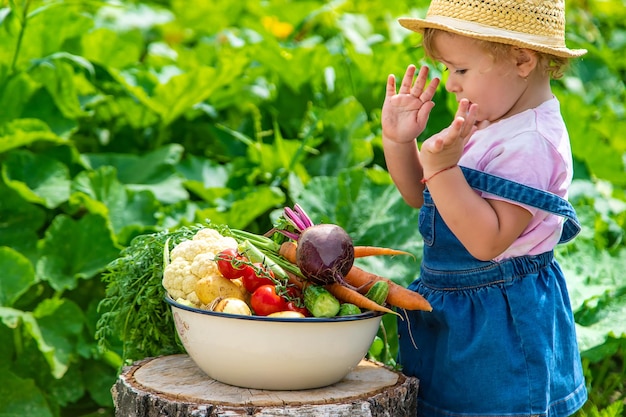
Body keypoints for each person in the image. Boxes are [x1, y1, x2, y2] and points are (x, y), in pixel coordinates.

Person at [381, 0, 588, 416]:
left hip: (501, 325)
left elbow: (486, 240)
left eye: (461, 70)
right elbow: (421, 197)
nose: (451, 84)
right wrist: (400, 141)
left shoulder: (530, 142)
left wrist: (441, 168)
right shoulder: (492, 118)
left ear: (523, 60)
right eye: (446, 70)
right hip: (458, 311)